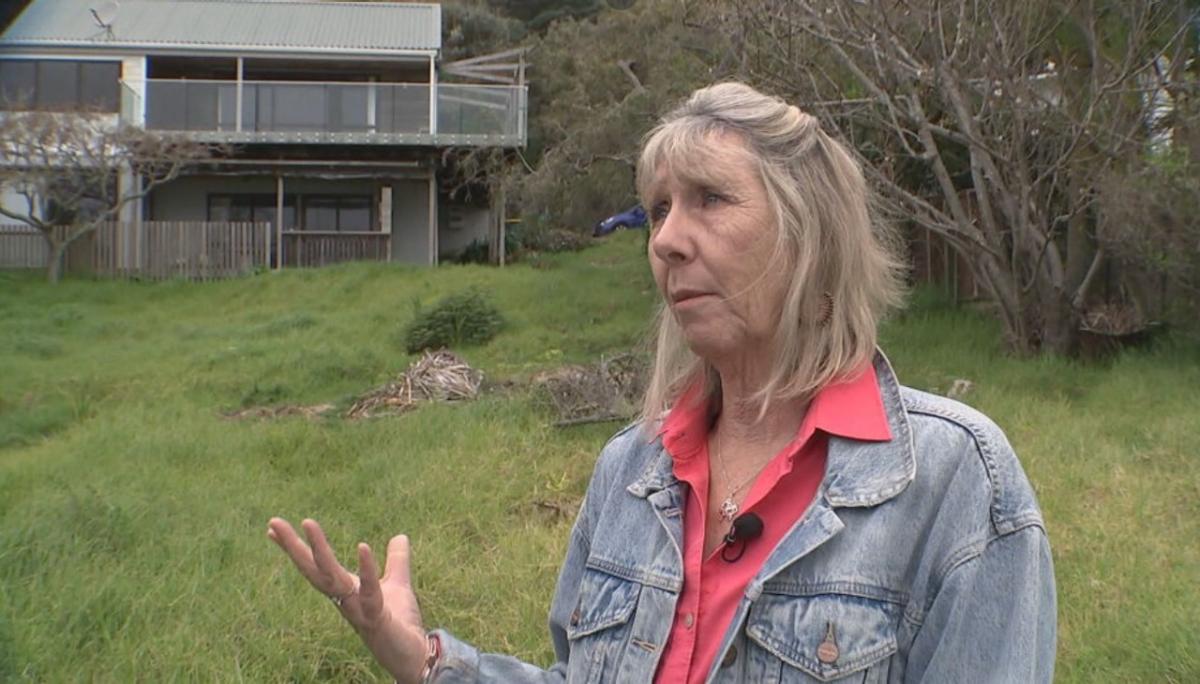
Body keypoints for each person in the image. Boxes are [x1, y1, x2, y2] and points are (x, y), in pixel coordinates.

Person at [268, 82, 1056, 683]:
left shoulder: (955, 480)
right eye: (659, 209)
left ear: (811, 235)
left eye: (710, 199)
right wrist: (427, 660)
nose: (668, 239)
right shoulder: (631, 469)